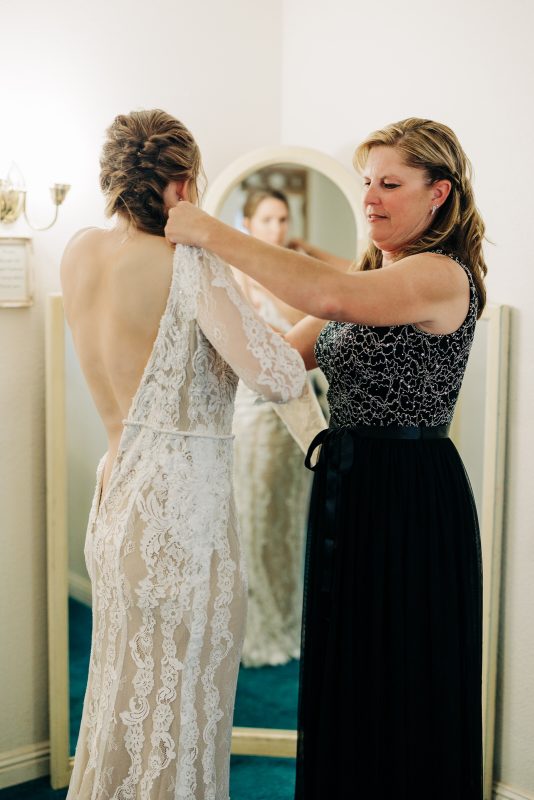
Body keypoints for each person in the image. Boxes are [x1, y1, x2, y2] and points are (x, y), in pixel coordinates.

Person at [165, 117, 486, 800]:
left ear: (439, 194)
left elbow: (328, 295)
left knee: (402, 671)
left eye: (390, 183)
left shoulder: (439, 274)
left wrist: (209, 230)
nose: (370, 197)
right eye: (367, 181)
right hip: (349, 483)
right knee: (353, 668)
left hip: (410, 494)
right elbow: (282, 356)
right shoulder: (376, 272)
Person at [60, 109, 311, 800]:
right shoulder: (188, 263)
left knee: (122, 696)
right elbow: (281, 375)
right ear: (183, 185)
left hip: (115, 504)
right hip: (181, 518)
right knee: (182, 705)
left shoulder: (79, 252)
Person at [232, 189, 317, 667]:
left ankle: (289, 617)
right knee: (255, 517)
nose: (277, 228)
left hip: (294, 412)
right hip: (253, 409)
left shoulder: (290, 270)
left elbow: (300, 326)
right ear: (247, 223)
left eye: (283, 219)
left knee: (288, 519)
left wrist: (274, 283)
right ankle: (257, 623)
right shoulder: (232, 270)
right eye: (267, 219)